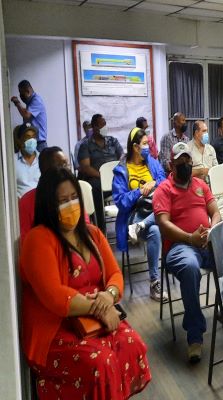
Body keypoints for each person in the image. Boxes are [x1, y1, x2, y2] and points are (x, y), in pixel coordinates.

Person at [20, 167, 150, 400]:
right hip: (58, 328)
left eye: (73, 198)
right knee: (101, 363)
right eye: (62, 201)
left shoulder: (92, 233)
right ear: (49, 205)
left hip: (96, 317)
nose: (70, 205)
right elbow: (55, 297)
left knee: (133, 345)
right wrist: (101, 308)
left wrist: (109, 296)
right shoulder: (38, 239)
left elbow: (115, 275)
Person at [154, 142, 222, 362]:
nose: (186, 165)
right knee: (191, 267)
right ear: (171, 165)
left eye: (188, 161)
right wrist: (189, 238)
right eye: (181, 162)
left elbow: (215, 212)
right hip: (179, 246)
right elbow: (163, 224)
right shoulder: (164, 189)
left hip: (206, 242)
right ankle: (195, 335)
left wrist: (212, 230)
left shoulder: (201, 184)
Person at [112, 128, 167, 303]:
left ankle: (143, 226)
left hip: (155, 209)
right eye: (144, 144)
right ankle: (154, 282)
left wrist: (153, 184)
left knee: (158, 221)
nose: (147, 148)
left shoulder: (151, 162)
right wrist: (139, 192)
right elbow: (120, 202)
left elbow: (164, 182)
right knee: (156, 230)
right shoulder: (121, 170)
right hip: (134, 215)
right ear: (135, 147)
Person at [78, 114, 124, 233]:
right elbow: (85, 167)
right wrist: (104, 176)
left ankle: (130, 227)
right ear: (93, 127)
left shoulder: (113, 141)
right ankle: (100, 230)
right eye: (100, 125)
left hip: (115, 178)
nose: (104, 127)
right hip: (97, 179)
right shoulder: (85, 145)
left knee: (131, 183)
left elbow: (123, 158)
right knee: (95, 190)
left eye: (105, 124)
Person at [19, 147, 70, 240]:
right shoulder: (26, 202)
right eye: (62, 165)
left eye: (67, 164)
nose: (67, 170)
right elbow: (25, 240)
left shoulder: (73, 195)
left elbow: (85, 228)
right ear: (46, 170)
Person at [11, 80, 48, 151]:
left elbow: (26, 115)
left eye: (22, 94)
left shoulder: (36, 100)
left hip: (39, 144)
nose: (21, 97)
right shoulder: (30, 102)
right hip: (32, 143)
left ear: (28, 91)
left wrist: (17, 103)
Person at [14, 123, 40, 198]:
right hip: (20, 205)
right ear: (19, 140)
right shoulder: (13, 161)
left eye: (33, 137)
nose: (31, 140)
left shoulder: (42, 158)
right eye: (27, 137)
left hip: (40, 204)